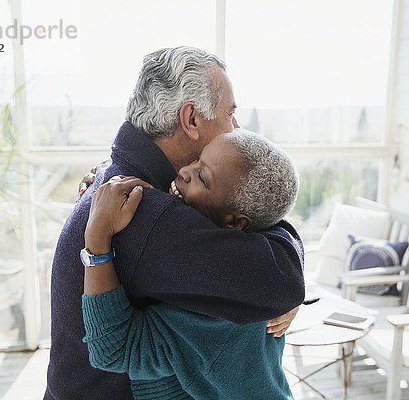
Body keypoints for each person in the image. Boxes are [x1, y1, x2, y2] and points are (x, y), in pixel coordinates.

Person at [45, 47, 305, 400]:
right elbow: (283, 280)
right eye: (231, 114)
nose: (236, 128)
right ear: (191, 120)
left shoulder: (122, 178)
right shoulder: (146, 213)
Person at [82, 129, 299, 399]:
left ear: (234, 223)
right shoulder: (260, 261)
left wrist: (97, 239)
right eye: (197, 159)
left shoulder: (216, 314)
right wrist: (107, 175)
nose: (185, 170)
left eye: (202, 178)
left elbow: (112, 350)